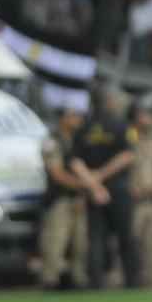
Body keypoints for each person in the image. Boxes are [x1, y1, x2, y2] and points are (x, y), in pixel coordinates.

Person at [71, 86, 139, 289]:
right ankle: (132, 284)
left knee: (96, 238)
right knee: (125, 237)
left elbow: (75, 161)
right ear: (109, 101)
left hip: (94, 191)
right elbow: (127, 155)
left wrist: (94, 184)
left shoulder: (84, 127)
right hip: (118, 187)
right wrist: (101, 178)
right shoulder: (121, 126)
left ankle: (96, 284)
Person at [38, 107, 89, 291]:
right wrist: (84, 185)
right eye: (74, 116)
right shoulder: (52, 140)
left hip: (78, 199)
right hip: (59, 198)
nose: (78, 120)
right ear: (63, 118)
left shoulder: (78, 140)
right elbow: (57, 174)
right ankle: (50, 281)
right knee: (55, 242)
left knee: (80, 243)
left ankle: (78, 281)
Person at [128, 94, 152, 288]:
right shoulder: (127, 138)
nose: (148, 118)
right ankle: (129, 284)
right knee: (131, 244)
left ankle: (151, 286)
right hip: (134, 201)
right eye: (144, 114)